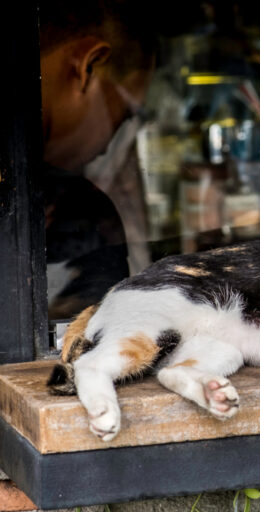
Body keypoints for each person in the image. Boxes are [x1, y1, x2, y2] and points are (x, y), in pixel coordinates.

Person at [39, 0, 156, 319]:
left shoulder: (62, 204)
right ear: (88, 66)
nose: (107, 147)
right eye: (123, 114)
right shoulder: (85, 213)